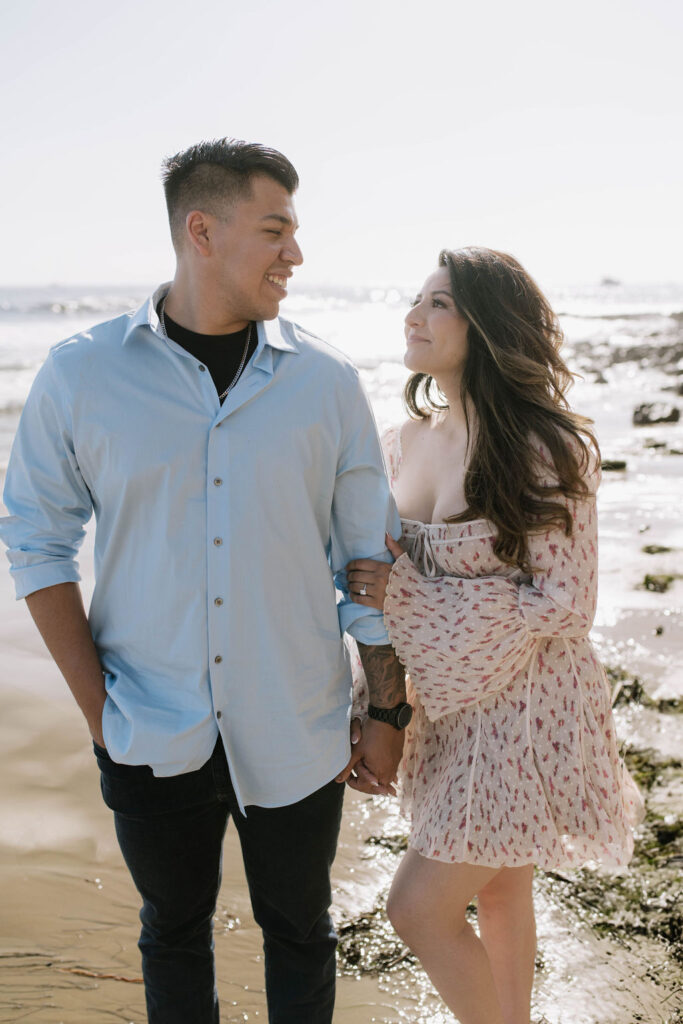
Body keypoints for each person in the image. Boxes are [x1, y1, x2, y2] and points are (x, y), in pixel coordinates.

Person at [0, 138, 408, 1024]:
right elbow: (35, 540)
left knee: (300, 927)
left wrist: (387, 712)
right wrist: (98, 709)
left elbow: (365, 570)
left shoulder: (328, 382)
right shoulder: (81, 373)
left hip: (297, 722)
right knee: (171, 930)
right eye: (275, 230)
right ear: (202, 231)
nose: (295, 255)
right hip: (145, 719)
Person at [346, 247, 643, 1024]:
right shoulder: (400, 442)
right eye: (415, 298)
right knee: (502, 889)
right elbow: (371, 599)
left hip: (526, 710)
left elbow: (564, 604)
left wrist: (408, 592)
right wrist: (377, 710)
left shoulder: (548, 448)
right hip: (443, 712)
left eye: (437, 303)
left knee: (415, 908)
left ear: (486, 326)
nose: (413, 315)